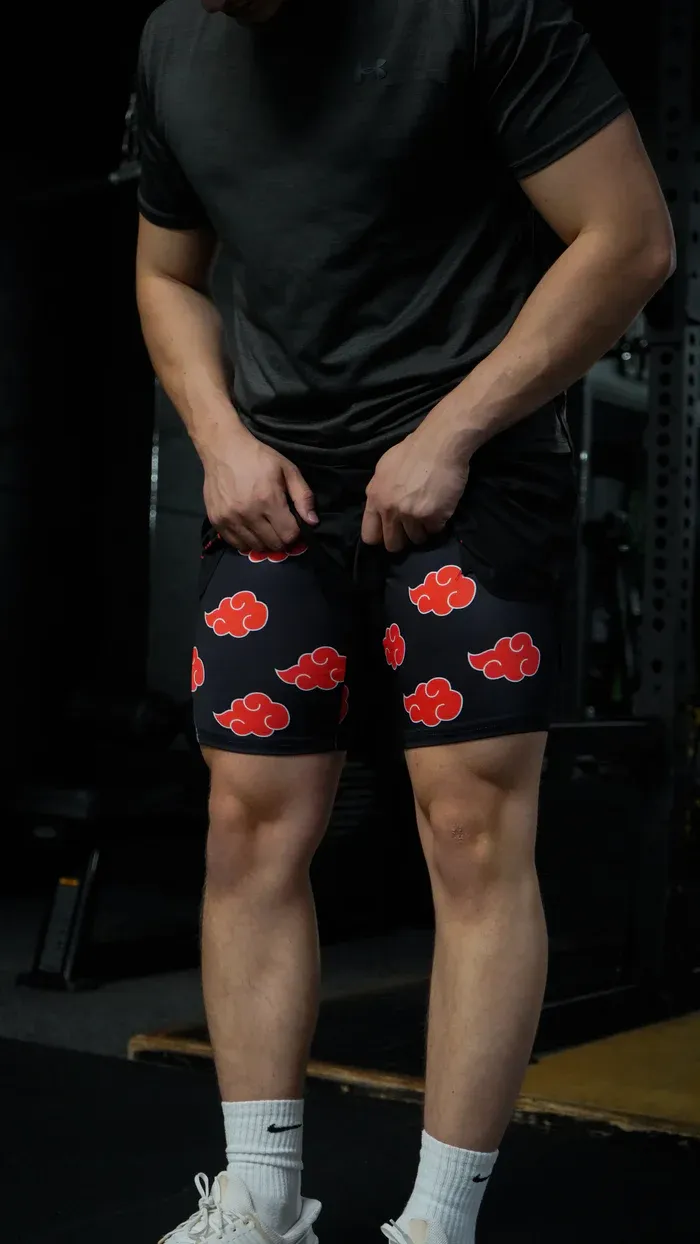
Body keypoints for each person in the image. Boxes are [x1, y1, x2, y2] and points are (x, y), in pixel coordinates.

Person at [135, 0, 674, 1240]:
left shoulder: (477, 10)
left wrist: (452, 431)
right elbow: (166, 274)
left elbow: (629, 238)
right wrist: (218, 439)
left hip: (471, 468)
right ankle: (262, 1199)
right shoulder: (172, 42)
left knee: (472, 831)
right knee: (247, 825)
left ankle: (437, 1221)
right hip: (275, 480)